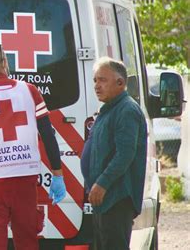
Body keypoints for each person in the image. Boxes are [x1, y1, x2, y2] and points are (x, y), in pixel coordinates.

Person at [0, 44, 66, 250]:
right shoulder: (30, 91)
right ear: (4, 63)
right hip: (25, 178)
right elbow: (48, 135)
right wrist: (57, 174)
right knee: (27, 241)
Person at [81, 57, 147, 250]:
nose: (96, 85)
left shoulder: (126, 110)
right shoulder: (109, 109)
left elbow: (125, 154)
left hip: (116, 197)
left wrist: (101, 183)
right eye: (95, 80)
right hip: (104, 200)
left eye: (102, 80)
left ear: (120, 82)